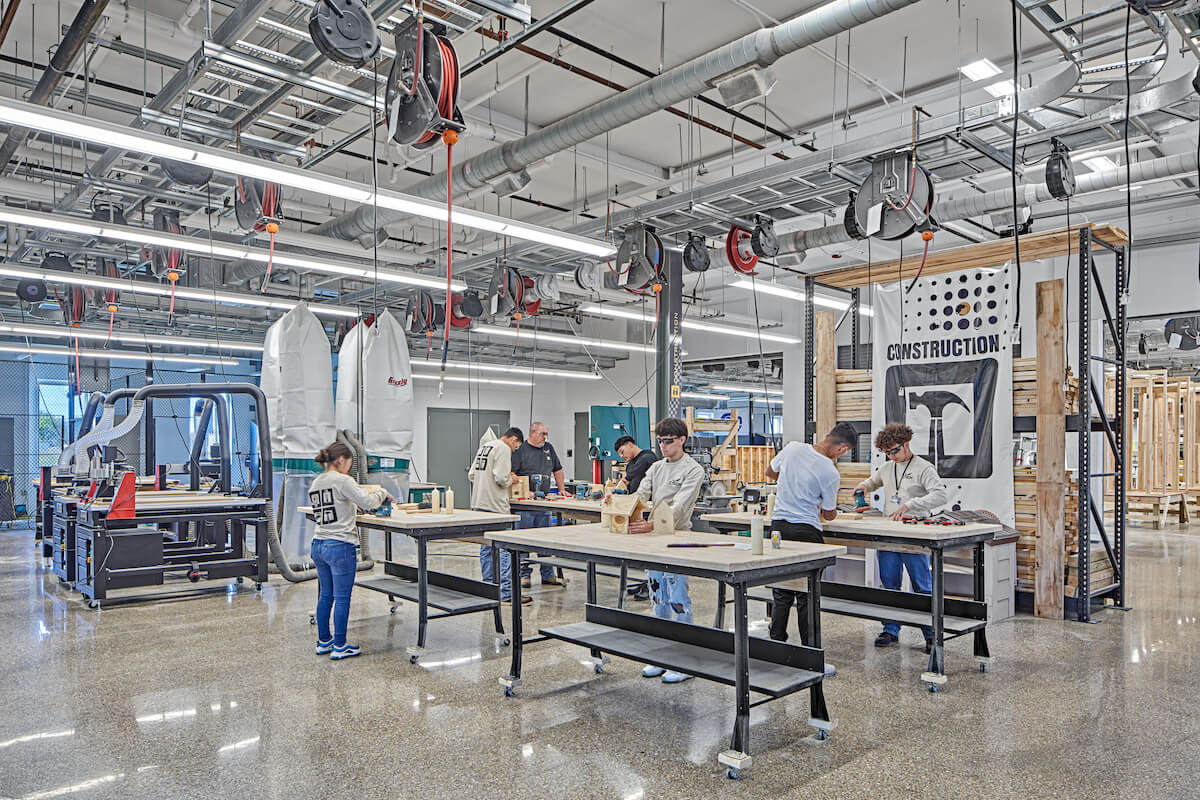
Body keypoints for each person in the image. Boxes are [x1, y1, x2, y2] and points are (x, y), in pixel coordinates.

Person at [854, 422, 950, 652]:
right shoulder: (888, 467)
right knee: (889, 583)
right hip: (890, 532)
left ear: (906, 444)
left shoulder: (923, 468)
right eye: (887, 453)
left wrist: (910, 504)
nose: (892, 456)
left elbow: (941, 495)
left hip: (915, 532)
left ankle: (931, 633)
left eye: (895, 450)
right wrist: (863, 486)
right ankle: (890, 629)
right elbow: (874, 481)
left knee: (922, 585)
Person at [765, 423, 857, 651]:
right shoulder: (830, 472)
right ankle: (809, 650)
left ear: (826, 435)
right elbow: (828, 513)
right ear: (843, 449)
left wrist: (790, 484)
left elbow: (769, 472)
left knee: (782, 588)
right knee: (808, 593)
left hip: (779, 527)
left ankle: (776, 645)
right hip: (806, 531)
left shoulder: (793, 448)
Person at [628, 417, 705, 684]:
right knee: (658, 599)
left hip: (677, 539)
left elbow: (679, 507)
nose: (663, 446)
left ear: (682, 440)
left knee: (678, 600)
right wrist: (622, 506)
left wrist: (651, 524)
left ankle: (685, 661)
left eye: (668, 441)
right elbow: (641, 493)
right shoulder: (656, 468)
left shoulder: (693, 470)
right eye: (660, 441)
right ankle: (661, 656)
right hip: (655, 540)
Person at [308, 441, 392, 660]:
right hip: (339, 545)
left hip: (318, 543)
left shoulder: (317, 481)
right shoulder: (343, 480)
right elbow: (368, 502)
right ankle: (340, 645)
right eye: (349, 464)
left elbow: (332, 507)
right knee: (342, 597)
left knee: (326, 595)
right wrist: (382, 492)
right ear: (341, 460)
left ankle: (324, 641)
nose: (349, 468)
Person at [469, 427, 531, 605]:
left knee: (486, 548)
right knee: (505, 550)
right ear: (513, 440)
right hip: (496, 506)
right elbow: (501, 479)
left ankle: (487, 587)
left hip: (479, 503)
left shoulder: (485, 447)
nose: (514, 450)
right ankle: (506, 593)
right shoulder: (503, 448)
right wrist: (511, 479)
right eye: (516, 447)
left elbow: (472, 474)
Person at [512, 421, 568, 589]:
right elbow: (512, 474)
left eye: (546, 434)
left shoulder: (548, 448)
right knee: (524, 542)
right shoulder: (520, 451)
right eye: (542, 434)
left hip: (544, 504)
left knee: (546, 542)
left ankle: (548, 575)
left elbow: (557, 469)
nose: (545, 437)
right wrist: (524, 491)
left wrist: (562, 489)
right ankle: (523, 576)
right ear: (532, 433)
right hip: (525, 507)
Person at [615, 434, 659, 600]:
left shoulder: (647, 457)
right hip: (635, 508)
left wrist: (626, 477)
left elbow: (634, 472)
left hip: (648, 509)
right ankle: (644, 582)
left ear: (630, 444)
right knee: (639, 551)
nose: (622, 455)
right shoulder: (633, 462)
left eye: (622, 451)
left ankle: (651, 586)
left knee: (649, 551)